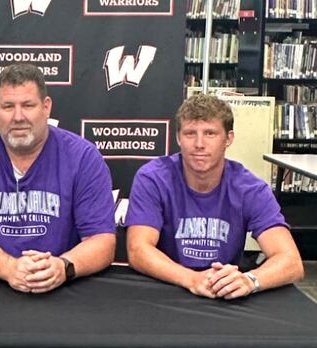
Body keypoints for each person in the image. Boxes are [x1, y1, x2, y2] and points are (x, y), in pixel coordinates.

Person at [0, 63, 116, 294]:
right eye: (8, 106)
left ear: (46, 107)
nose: (18, 117)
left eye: (28, 105)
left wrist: (62, 266)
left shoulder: (83, 157)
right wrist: (9, 268)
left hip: (68, 291)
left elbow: (102, 240)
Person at [126, 93, 304, 299]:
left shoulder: (250, 188)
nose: (199, 144)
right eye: (190, 133)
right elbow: (138, 250)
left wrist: (249, 280)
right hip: (165, 287)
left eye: (210, 133)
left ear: (228, 139)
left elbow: (291, 261)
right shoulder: (153, 178)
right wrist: (192, 279)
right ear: (178, 138)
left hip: (224, 290)